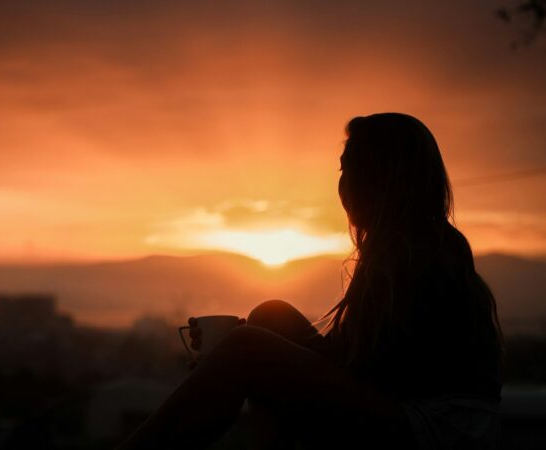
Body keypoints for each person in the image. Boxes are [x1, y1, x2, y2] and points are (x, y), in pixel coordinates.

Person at [116, 113, 504, 450]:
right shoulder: (408, 245)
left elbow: (373, 373)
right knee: (268, 318)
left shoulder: (413, 251)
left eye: (351, 170)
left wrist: (240, 357)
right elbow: (353, 365)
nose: (342, 185)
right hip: (410, 415)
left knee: (249, 345)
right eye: (342, 170)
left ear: (383, 179)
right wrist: (246, 354)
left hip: (433, 431)